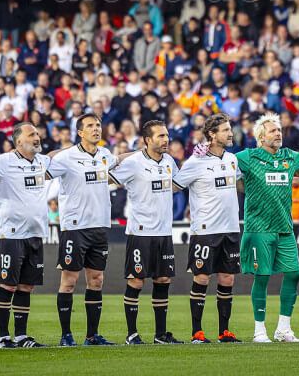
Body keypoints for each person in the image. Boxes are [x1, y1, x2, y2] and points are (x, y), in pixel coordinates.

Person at [236, 112, 299, 343]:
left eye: (279, 130)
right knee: (262, 277)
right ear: (261, 137)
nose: (278, 133)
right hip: (259, 226)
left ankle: (283, 329)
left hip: (284, 226)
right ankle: (259, 331)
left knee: (294, 272)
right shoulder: (248, 156)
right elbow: (225, 163)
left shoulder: (288, 156)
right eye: (273, 130)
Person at [109, 120, 184, 345]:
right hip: (140, 232)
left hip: (164, 232)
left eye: (166, 135)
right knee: (136, 281)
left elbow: (177, 185)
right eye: (160, 136)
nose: (166, 140)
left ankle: (161, 335)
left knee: (163, 279)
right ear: (148, 140)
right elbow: (110, 179)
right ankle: (132, 334)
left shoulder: (170, 161)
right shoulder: (133, 163)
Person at [45, 112, 116, 346]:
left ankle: (92, 336)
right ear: (80, 132)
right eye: (90, 126)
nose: (96, 129)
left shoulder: (105, 155)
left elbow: (121, 160)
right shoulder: (66, 157)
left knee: (96, 280)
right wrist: (53, 153)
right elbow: (44, 169)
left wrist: (141, 151)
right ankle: (66, 335)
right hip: (75, 228)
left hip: (99, 227)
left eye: (98, 125)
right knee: (69, 281)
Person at [172, 113, 242, 343]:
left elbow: (239, 183)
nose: (230, 133)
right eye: (225, 130)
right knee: (202, 278)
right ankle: (197, 332)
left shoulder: (232, 159)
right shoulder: (195, 163)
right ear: (212, 135)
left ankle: (224, 331)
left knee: (227, 280)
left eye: (230, 129)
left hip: (230, 229)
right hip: (205, 230)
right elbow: (174, 186)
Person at [0, 122, 50, 348]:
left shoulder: (43, 161)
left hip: (35, 233)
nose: (37, 136)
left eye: (37, 132)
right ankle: (4, 337)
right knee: (7, 286)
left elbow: (56, 156)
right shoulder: (1, 162)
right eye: (31, 134)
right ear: (19, 141)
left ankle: (22, 336)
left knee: (26, 286)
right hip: (10, 235)